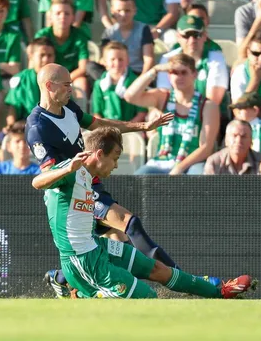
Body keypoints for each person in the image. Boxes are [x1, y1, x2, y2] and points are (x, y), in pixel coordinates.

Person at [32, 125, 256, 299]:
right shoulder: (73, 169)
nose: (117, 165)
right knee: (147, 297)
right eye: (115, 157)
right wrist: (67, 169)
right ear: (99, 154)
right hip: (83, 260)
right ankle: (82, 295)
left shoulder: (86, 177)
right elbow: (37, 182)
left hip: (97, 247)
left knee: (158, 269)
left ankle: (219, 293)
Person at [25, 62, 176, 298]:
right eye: (66, 85)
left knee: (112, 240)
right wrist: (72, 178)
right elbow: (47, 175)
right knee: (129, 223)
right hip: (72, 194)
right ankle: (175, 276)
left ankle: (62, 278)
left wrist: (143, 126)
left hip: (90, 184)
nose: (71, 90)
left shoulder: (68, 109)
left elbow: (99, 125)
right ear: (48, 86)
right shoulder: (37, 127)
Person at [125, 54, 220, 175]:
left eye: (184, 72)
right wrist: (154, 70)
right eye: (175, 72)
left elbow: (206, 148)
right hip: (163, 161)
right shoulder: (163, 97)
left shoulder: (208, 105)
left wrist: (179, 168)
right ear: (169, 76)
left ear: (194, 74)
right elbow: (130, 96)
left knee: (198, 178)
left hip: (193, 163)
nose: (179, 77)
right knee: (137, 179)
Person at [156, 15, 228, 107]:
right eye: (186, 35)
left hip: (206, 115)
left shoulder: (216, 58)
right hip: (174, 115)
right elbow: (163, 97)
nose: (192, 40)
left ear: (205, 36)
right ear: (178, 37)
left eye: (196, 35)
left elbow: (212, 102)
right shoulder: (167, 58)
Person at [35, 0, 90, 98]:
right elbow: (35, 65)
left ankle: (79, 114)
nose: (62, 17)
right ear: (50, 16)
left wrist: (62, 82)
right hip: (47, 78)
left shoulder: (80, 36)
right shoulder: (42, 36)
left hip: (71, 78)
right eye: (58, 13)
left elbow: (83, 68)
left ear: (73, 16)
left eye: (67, 13)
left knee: (81, 82)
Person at [4, 37, 55, 132]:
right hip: (24, 126)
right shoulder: (21, 79)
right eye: (42, 55)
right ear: (31, 56)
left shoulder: (59, 79)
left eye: (50, 55)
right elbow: (13, 108)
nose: (46, 59)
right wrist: (11, 127)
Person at [100, 0, 154, 75]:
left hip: (136, 73)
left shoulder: (143, 29)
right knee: (90, 66)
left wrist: (141, 81)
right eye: (119, 11)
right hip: (115, 73)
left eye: (127, 11)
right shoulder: (109, 33)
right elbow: (104, 59)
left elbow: (148, 59)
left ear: (134, 11)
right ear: (112, 11)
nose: (123, 15)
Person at [91, 42, 146, 123]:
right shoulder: (99, 84)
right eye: (112, 59)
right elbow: (97, 113)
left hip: (132, 127)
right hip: (106, 128)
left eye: (121, 59)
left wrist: (127, 128)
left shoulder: (136, 82)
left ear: (127, 60)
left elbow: (142, 113)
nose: (117, 63)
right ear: (104, 62)